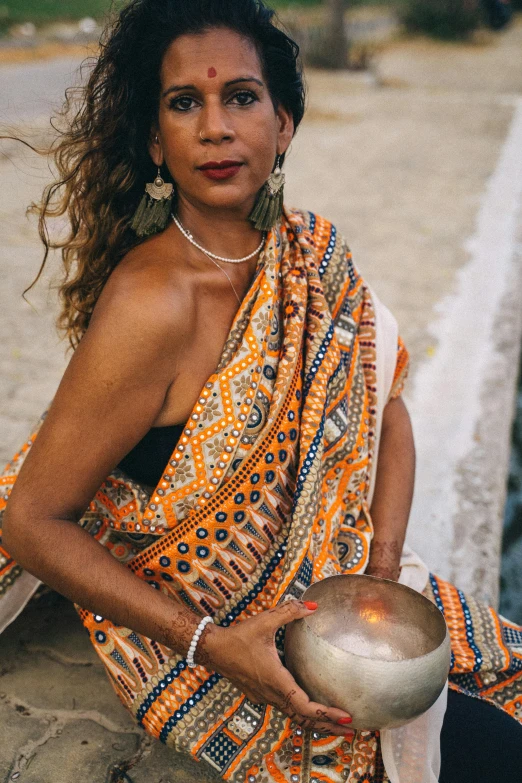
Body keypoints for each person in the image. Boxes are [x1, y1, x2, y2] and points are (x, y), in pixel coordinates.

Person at [0, 1, 521, 781]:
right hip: (217, 636)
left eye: (240, 97)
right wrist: (212, 643)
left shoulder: (310, 253)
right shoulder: (153, 304)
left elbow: (390, 403)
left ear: (283, 124)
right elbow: (32, 522)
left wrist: (378, 564)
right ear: (154, 138)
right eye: (185, 103)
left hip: (334, 588)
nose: (215, 127)